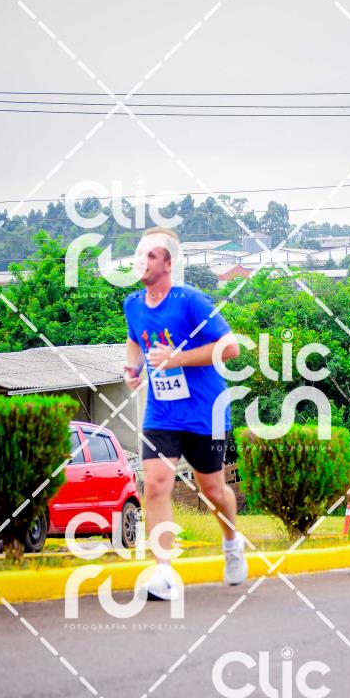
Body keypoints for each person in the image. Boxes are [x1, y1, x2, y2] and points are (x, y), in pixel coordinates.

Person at [123, 226, 248, 598]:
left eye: (150, 255)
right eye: (139, 254)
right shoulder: (132, 304)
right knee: (156, 484)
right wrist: (132, 369)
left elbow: (231, 348)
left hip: (205, 411)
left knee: (213, 490)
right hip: (161, 413)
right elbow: (134, 339)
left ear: (168, 263)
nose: (141, 261)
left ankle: (232, 543)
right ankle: (164, 572)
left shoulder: (190, 301)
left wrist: (177, 358)